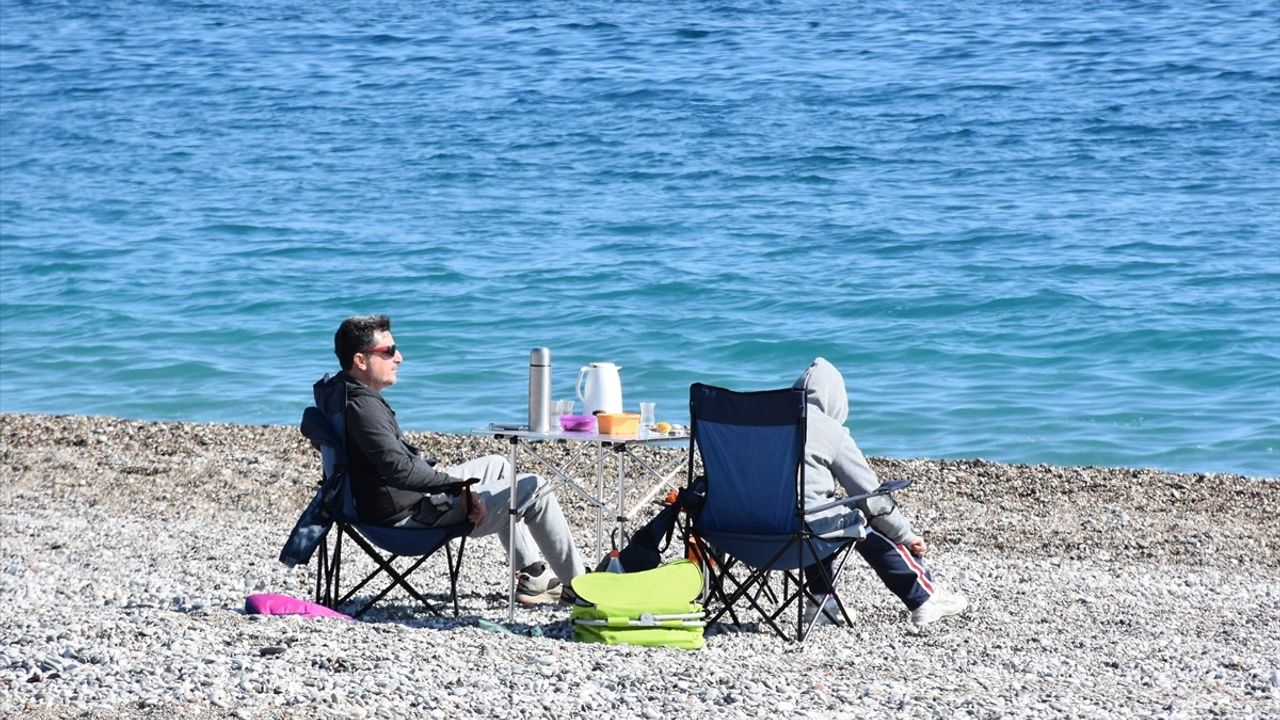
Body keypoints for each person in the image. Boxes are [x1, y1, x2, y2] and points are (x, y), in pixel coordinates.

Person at [333, 314, 586, 604]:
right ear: (360, 360)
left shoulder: (343, 394)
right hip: (409, 518)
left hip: (395, 501)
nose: (399, 358)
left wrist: (448, 483)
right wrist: (458, 488)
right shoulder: (364, 409)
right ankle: (581, 589)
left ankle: (531, 576)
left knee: (498, 465)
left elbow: (395, 467)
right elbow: (400, 470)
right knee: (535, 489)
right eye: (388, 351)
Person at [795, 357, 968, 627]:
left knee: (814, 507)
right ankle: (924, 599)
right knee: (857, 522)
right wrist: (906, 535)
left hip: (738, 530)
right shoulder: (830, 431)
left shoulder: (762, 424)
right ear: (836, 400)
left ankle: (822, 602)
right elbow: (871, 498)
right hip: (796, 534)